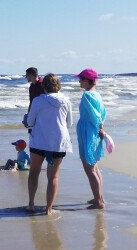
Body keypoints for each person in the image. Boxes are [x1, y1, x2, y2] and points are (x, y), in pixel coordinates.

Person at [25, 73, 73, 215]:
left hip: (39, 141)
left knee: (34, 172)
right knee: (53, 177)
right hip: (58, 143)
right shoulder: (66, 100)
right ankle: (48, 208)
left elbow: (30, 122)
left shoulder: (38, 101)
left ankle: (31, 204)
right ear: (58, 85)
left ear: (43, 86)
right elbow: (69, 123)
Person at [76, 68, 107, 209]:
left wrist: (99, 126)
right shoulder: (97, 94)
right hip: (93, 130)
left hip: (88, 132)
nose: (79, 81)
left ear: (87, 80)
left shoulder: (87, 95)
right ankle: (99, 197)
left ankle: (98, 200)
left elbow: (96, 115)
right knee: (95, 167)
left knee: (90, 168)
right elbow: (103, 113)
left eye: (81, 79)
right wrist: (101, 127)